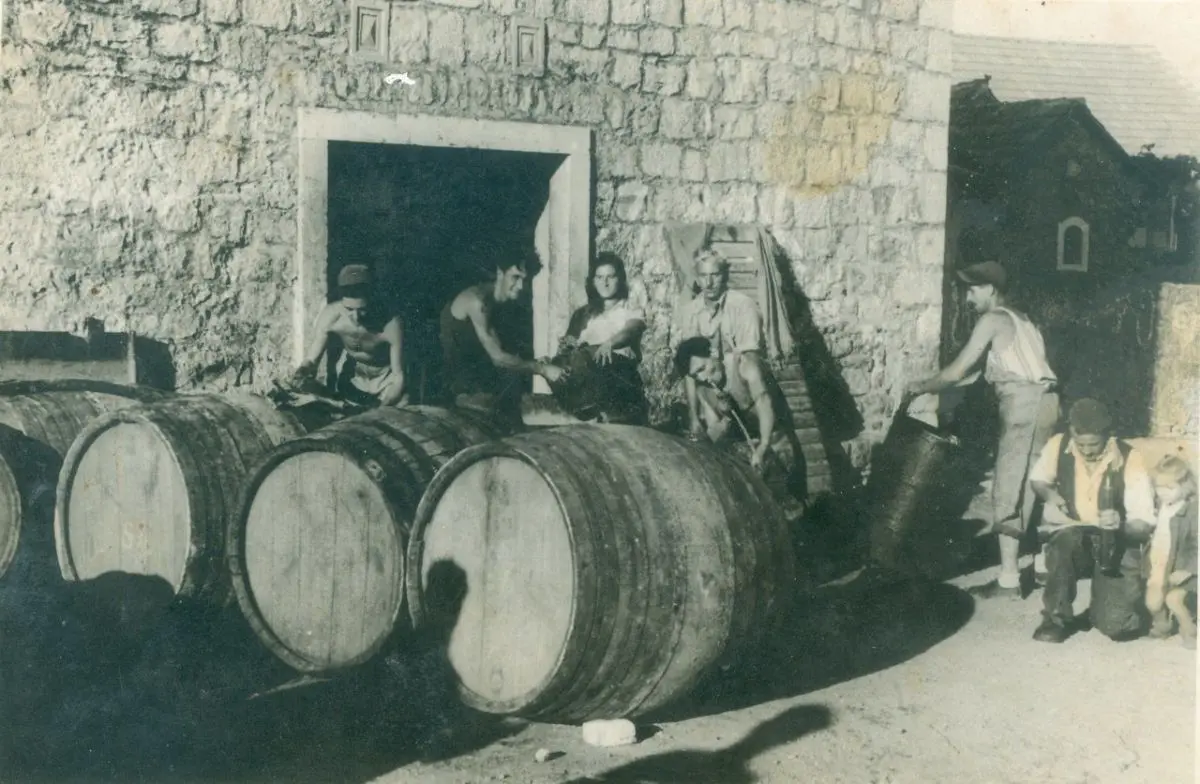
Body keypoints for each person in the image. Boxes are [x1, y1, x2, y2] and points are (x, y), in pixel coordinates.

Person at [904, 260, 1059, 599]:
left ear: (990, 289)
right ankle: (1044, 566)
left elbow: (958, 370)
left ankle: (1008, 580)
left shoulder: (993, 320)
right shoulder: (1024, 320)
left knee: (1010, 484)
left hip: (1024, 406)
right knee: (1037, 480)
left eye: (972, 290)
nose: (968, 298)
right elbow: (985, 374)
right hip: (1046, 403)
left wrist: (921, 387)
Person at [1026, 398, 1156, 643]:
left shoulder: (1131, 457)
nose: (1086, 451)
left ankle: (1101, 609)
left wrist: (1120, 524)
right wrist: (1050, 494)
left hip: (1116, 541)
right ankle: (1055, 619)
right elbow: (1038, 479)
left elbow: (1143, 524)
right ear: (1071, 432)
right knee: (1063, 543)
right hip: (1074, 535)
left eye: (1094, 444)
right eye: (1080, 444)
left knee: (1118, 628)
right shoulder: (1059, 444)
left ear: (1108, 435)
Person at [673, 335, 805, 518]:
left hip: (773, 437)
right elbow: (715, 433)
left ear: (713, 353)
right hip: (745, 445)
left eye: (703, 368)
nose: (703, 377)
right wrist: (725, 417)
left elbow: (763, 403)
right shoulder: (704, 389)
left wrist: (763, 446)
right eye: (696, 375)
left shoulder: (744, 365)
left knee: (783, 491)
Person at [440, 254, 568, 432]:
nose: (521, 286)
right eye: (515, 277)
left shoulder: (503, 304)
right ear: (500, 273)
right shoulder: (478, 302)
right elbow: (498, 358)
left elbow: (505, 353)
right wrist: (542, 369)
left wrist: (537, 363)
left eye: (525, 280)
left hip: (487, 390)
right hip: (465, 396)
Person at [678, 249, 767, 441]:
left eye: (715, 275)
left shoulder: (744, 307)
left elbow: (751, 363)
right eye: (703, 276)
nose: (709, 283)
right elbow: (690, 369)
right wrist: (693, 417)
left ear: (725, 275)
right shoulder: (690, 312)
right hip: (714, 399)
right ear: (697, 278)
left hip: (745, 395)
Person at [552, 253, 649, 424]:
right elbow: (570, 343)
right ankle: (583, 410)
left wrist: (609, 343)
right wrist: (566, 347)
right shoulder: (583, 313)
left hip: (617, 371)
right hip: (585, 369)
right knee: (555, 364)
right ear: (593, 281)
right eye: (599, 277)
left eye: (610, 277)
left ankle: (596, 411)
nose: (605, 283)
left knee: (586, 355)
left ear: (620, 279)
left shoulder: (628, 308)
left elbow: (632, 329)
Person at [292, 264, 407, 407]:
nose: (356, 317)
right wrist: (302, 371)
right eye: (349, 309)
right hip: (355, 379)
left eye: (362, 309)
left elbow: (398, 376)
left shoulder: (390, 324)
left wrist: (384, 406)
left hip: (386, 381)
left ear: (371, 300)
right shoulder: (331, 316)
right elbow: (311, 359)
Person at [1145, 455, 1198, 649]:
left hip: (1182, 564)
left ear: (1184, 485)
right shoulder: (1160, 505)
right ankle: (1163, 624)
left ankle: (1189, 629)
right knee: (1153, 602)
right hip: (1159, 560)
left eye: (1169, 488)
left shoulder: (1193, 511)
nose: (1163, 493)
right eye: (1159, 487)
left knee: (1173, 599)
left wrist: (1188, 569)